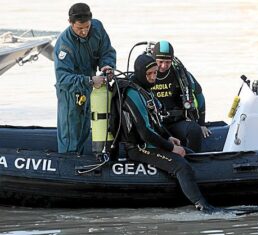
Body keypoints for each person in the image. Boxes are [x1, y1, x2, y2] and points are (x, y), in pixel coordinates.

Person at [119, 53, 220, 214]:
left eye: (154, 73)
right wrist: (170, 148)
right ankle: (203, 206)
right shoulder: (133, 94)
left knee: (191, 155)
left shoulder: (145, 90)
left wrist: (168, 137)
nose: (153, 77)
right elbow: (144, 132)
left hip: (153, 141)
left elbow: (155, 121)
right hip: (139, 147)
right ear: (140, 73)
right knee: (181, 166)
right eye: (149, 74)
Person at [54, 3, 116, 154]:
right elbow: (63, 79)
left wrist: (107, 66)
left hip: (90, 89)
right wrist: (88, 80)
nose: (84, 31)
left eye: (86, 27)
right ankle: (68, 162)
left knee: (84, 132)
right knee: (71, 136)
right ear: (70, 23)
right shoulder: (64, 45)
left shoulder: (97, 28)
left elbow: (107, 50)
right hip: (70, 93)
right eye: (79, 28)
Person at [150, 40, 210, 152]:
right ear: (154, 59)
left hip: (175, 122)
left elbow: (199, 96)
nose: (163, 66)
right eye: (160, 61)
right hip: (154, 124)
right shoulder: (146, 73)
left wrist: (201, 123)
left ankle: (194, 163)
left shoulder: (180, 74)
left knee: (194, 130)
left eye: (168, 62)